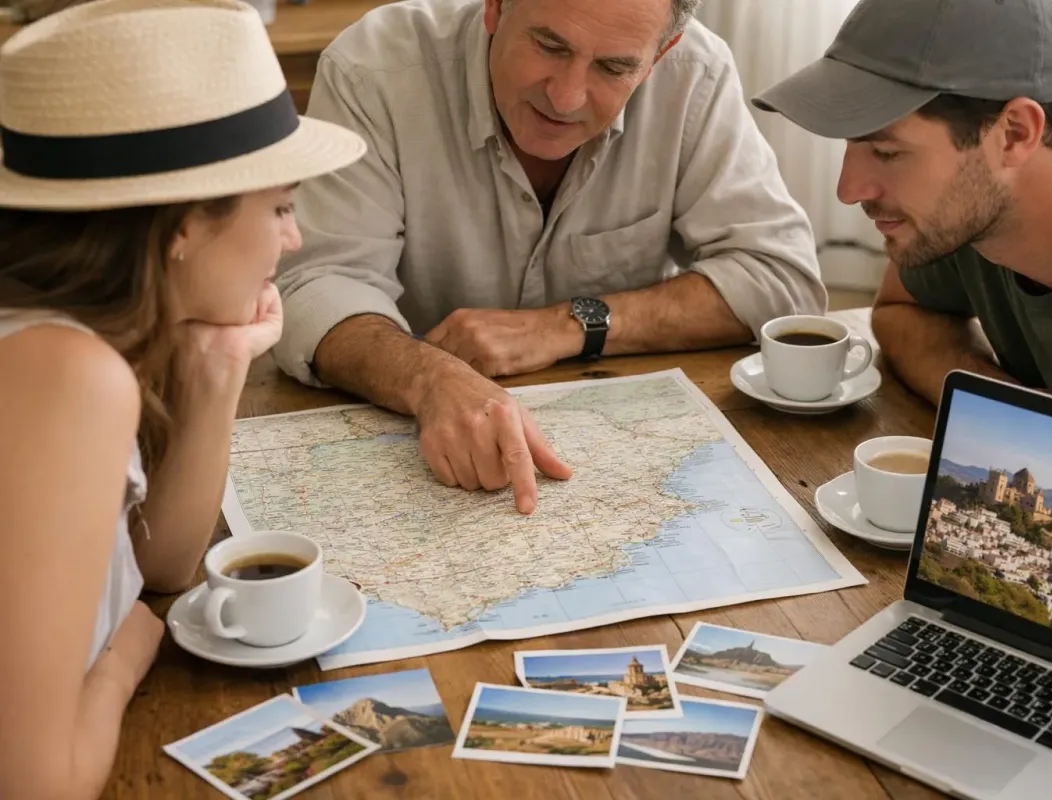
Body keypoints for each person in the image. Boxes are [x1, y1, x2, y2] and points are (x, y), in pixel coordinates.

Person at [0, 0, 365, 796]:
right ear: (183, 229)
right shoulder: (63, 374)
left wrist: (219, 367)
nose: (293, 238)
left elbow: (159, 565)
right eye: (278, 206)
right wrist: (130, 650)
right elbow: (35, 785)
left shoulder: (80, 343)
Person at [273, 0, 828, 514]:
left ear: (659, 57)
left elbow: (781, 279)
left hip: (618, 467)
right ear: (494, 7)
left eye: (613, 68)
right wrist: (428, 378)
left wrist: (567, 326)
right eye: (550, 46)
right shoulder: (374, 69)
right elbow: (317, 287)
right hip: (414, 453)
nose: (566, 98)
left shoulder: (696, 74)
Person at [752, 0, 1052, 434]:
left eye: (888, 152)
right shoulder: (979, 211)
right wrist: (1015, 414)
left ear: (1015, 133)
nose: (848, 190)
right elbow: (900, 312)